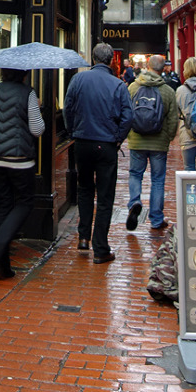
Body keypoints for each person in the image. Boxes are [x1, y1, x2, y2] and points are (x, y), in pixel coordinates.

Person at [63, 42, 134, 264]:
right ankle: (100, 248)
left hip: (82, 142)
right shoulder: (118, 85)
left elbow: (68, 108)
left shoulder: (78, 80)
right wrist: (117, 138)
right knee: (105, 196)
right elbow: (128, 117)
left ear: (93, 59)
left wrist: (73, 131)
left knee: (84, 189)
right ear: (111, 59)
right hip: (106, 145)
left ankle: (83, 237)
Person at [0, 68, 44, 280]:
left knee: (4, 204)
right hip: (20, 159)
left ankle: (2, 267)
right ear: (23, 74)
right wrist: (38, 108)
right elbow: (37, 129)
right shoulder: (28, 93)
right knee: (24, 203)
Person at [126, 54, 179, 232]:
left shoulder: (133, 87)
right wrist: (168, 138)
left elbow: (125, 112)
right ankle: (156, 219)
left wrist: (128, 135)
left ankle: (134, 202)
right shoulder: (168, 91)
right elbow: (173, 119)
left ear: (147, 66)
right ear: (163, 68)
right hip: (158, 143)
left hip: (137, 141)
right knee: (157, 180)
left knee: (135, 174)